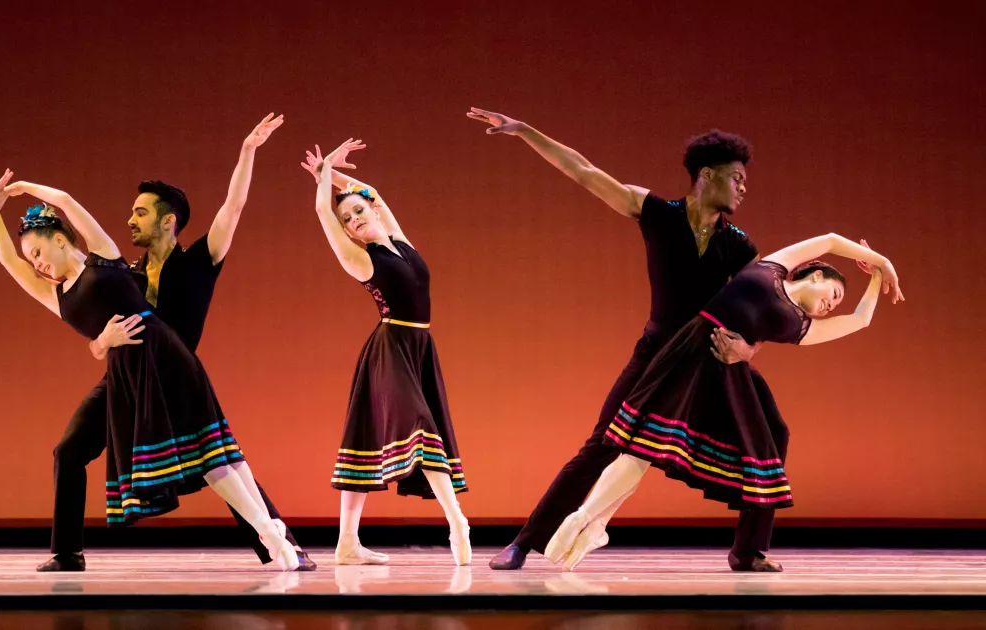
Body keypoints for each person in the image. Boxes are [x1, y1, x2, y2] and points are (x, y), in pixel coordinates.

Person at [468, 107, 788, 571]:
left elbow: (762, 310)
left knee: (772, 432)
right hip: (656, 354)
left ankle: (748, 550)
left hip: (709, 361)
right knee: (602, 445)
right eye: (736, 177)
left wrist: (748, 350)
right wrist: (524, 132)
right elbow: (582, 170)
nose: (743, 187)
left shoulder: (739, 246)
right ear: (707, 175)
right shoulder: (657, 214)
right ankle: (524, 542)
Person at [36, 115, 316, 572]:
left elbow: (234, 206)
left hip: (175, 374)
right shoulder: (123, 273)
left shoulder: (199, 261)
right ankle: (67, 553)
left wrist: (247, 151)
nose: (130, 219)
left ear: (168, 222)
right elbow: (96, 336)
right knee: (69, 450)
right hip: (126, 380)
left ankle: (281, 543)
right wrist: (101, 343)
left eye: (140, 212)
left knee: (217, 458)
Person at [545, 235, 903, 570]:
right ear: (815, 273)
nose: (832, 304)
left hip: (728, 371)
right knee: (644, 447)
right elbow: (830, 240)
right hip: (693, 353)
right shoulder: (773, 267)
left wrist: (875, 280)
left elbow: (861, 319)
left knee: (774, 436)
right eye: (834, 292)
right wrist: (878, 260)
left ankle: (748, 550)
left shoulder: (799, 324)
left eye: (836, 303)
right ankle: (589, 518)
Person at [302, 140, 471, 566]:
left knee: (364, 439)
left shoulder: (400, 241)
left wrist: (334, 172)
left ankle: (346, 544)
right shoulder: (361, 260)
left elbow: (371, 191)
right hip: (390, 349)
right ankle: (457, 523)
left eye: (359, 212)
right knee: (420, 424)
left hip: (419, 349)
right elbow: (325, 212)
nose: (355, 219)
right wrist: (323, 180)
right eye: (348, 220)